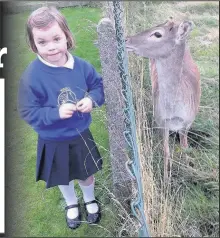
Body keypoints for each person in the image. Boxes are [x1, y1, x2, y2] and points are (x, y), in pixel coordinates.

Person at [17, 6, 105, 229]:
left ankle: (89, 198)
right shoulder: (31, 76)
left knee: (85, 173)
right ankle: (71, 204)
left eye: (56, 38)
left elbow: (98, 85)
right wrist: (55, 113)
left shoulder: (81, 67)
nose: (51, 47)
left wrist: (92, 100)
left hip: (80, 134)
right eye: (42, 42)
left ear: (67, 35)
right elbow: (28, 111)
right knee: (62, 177)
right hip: (52, 139)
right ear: (33, 44)